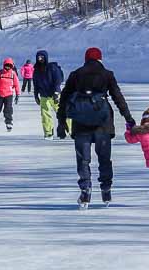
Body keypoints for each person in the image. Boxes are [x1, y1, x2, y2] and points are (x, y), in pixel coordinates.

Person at [58, 47, 135, 208]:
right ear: (100, 59)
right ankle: (106, 188)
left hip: (81, 123)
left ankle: (85, 189)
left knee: (83, 159)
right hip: (103, 123)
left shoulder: (76, 74)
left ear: (86, 59)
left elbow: (64, 97)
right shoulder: (107, 74)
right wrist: (128, 118)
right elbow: (117, 97)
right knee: (104, 158)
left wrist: (61, 120)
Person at [32, 50, 65, 140]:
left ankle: (68, 130)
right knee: (45, 115)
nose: (40, 59)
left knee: (62, 113)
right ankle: (48, 133)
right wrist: (36, 95)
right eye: (38, 57)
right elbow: (35, 84)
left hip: (54, 94)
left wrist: (56, 93)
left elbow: (58, 81)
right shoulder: (36, 70)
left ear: (45, 58)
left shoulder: (52, 68)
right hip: (44, 95)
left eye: (42, 57)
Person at [0, 57, 20, 131]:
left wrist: (17, 95)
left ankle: (9, 122)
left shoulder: (13, 74)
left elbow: (17, 85)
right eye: (6, 65)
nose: (7, 67)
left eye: (9, 65)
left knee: (8, 109)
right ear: (4, 65)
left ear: (11, 66)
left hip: (9, 94)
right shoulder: (0, 73)